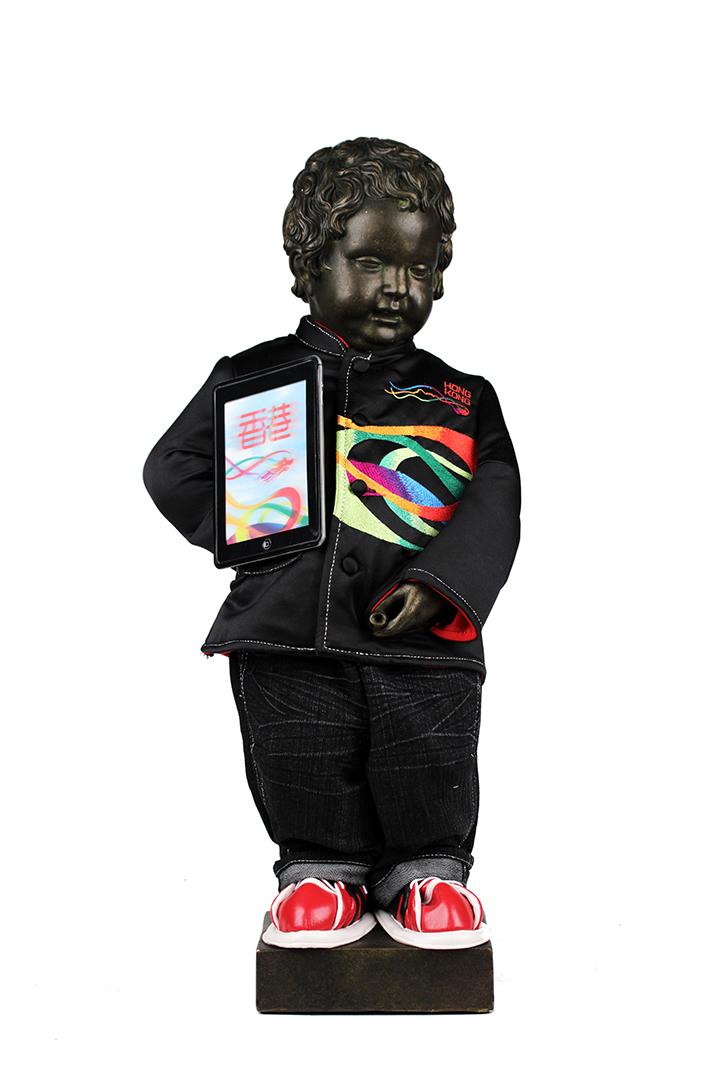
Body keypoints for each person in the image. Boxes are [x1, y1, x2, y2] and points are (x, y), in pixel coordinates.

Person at [143, 137, 521, 950]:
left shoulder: (464, 397)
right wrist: (258, 537)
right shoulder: (251, 377)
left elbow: (496, 501)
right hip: (285, 630)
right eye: (371, 261)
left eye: (418, 267)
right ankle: (319, 872)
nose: (396, 286)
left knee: (429, 752)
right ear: (311, 262)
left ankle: (428, 869)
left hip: (424, 643)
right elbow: (173, 467)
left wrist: (444, 586)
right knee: (298, 750)